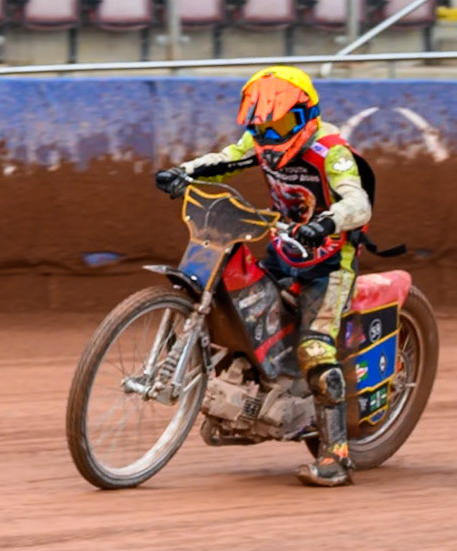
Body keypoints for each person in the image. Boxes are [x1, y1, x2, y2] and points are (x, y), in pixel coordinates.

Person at [154, 66, 372, 488]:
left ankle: (336, 457)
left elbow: (358, 203)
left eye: (281, 125)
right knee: (242, 311)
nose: (271, 136)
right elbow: (226, 159)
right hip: (283, 250)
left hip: (330, 263)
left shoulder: (331, 151)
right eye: (261, 126)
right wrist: (184, 171)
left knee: (315, 349)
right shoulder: (259, 144)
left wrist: (327, 223)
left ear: (307, 115)